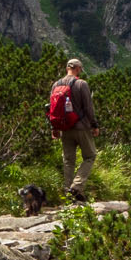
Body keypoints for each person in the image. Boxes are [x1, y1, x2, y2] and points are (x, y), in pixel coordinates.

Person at [50, 58, 99, 202]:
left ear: (67, 68)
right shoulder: (81, 84)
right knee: (90, 156)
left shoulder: (55, 85)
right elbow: (88, 107)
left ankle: (67, 193)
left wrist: (55, 128)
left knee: (68, 160)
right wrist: (94, 125)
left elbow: (52, 109)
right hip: (81, 127)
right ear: (77, 69)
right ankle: (77, 186)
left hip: (65, 128)